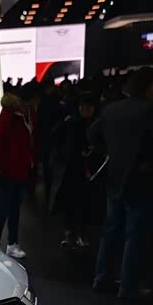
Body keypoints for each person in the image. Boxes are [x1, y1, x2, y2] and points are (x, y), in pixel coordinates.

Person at [90, 67, 153, 302]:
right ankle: (128, 287)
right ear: (150, 86)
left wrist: (111, 152)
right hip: (140, 180)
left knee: (110, 230)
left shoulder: (111, 109)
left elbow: (92, 134)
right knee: (135, 235)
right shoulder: (151, 110)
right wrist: (150, 163)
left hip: (114, 176)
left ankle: (101, 278)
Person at [0, 93, 34, 259]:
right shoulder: (10, 119)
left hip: (15, 170)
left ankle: (5, 244)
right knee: (7, 208)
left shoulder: (14, 118)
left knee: (10, 208)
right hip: (10, 171)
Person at [53, 95, 100, 248]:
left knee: (83, 203)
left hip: (84, 168)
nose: (85, 110)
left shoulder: (90, 123)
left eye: (88, 107)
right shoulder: (75, 122)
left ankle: (78, 233)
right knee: (74, 202)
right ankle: (72, 232)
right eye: (83, 107)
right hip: (75, 168)